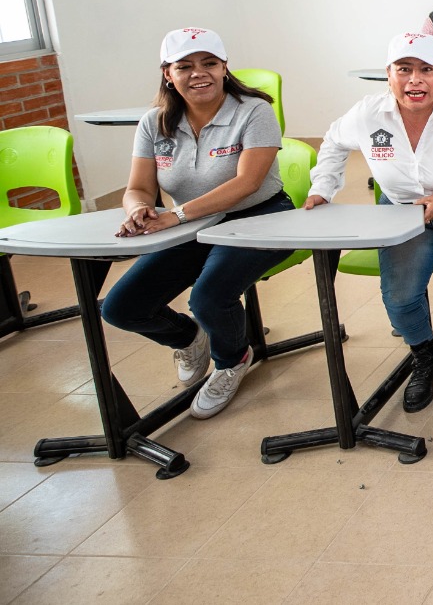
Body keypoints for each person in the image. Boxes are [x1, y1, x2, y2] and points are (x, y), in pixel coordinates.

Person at [306, 32, 433, 413]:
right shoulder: (367, 113)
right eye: (404, 70)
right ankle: (424, 356)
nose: (415, 80)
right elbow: (333, 141)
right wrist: (323, 187)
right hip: (403, 209)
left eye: (426, 70)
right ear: (388, 74)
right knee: (400, 295)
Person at [101, 27, 294, 420]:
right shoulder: (154, 123)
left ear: (224, 68)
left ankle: (232, 360)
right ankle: (188, 336)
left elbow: (247, 183)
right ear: (167, 74)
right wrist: (137, 208)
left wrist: (175, 215)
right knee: (121, 307)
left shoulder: (253, 111)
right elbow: (138, 187)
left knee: (208, 297)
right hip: (193, 223)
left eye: (209, 63)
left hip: (261, 216)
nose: (198, 73)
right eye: (184, 66)